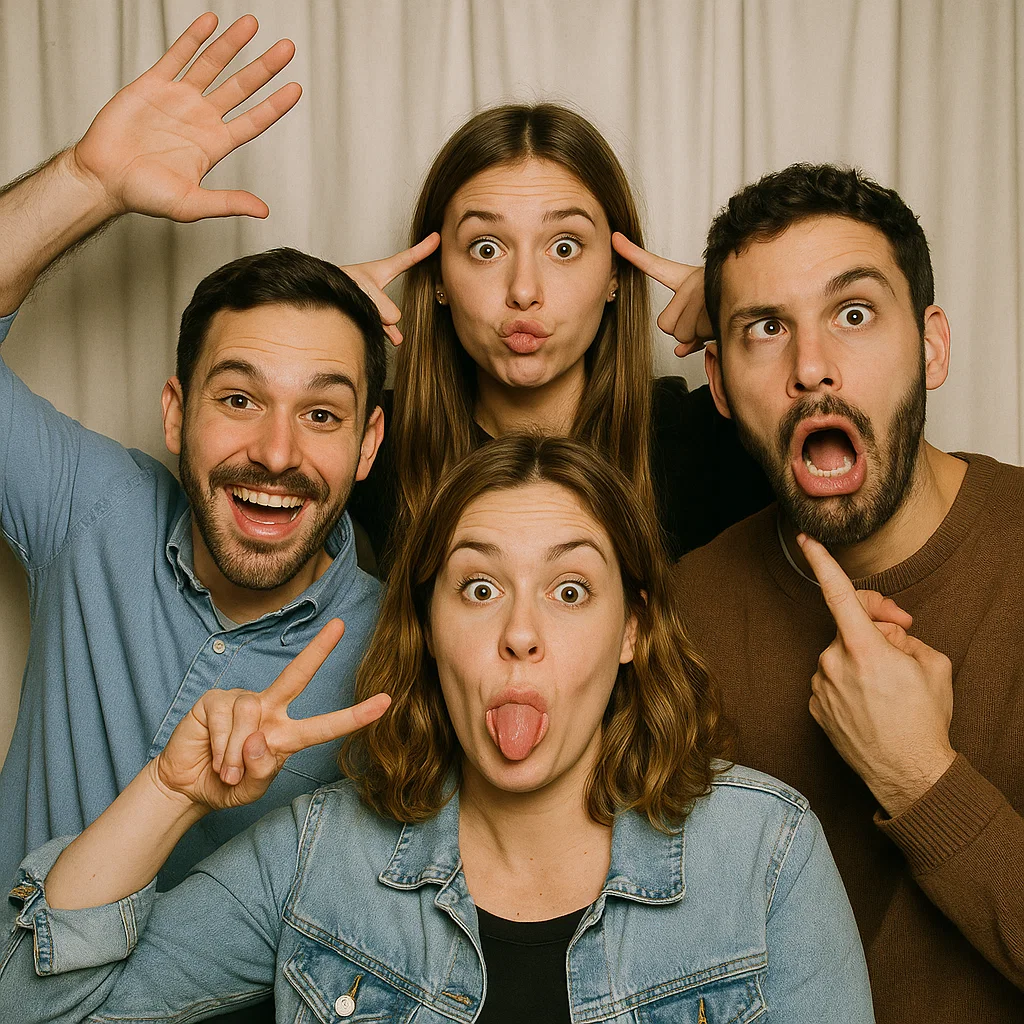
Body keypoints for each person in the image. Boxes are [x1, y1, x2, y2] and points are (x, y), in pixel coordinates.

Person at [1, 435, 873, 1023]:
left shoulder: (766, 852)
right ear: (427, 623)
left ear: (632, 631)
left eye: (570, 592)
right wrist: (168, 794)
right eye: (480, 588)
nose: (519, 632)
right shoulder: (318, 858)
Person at [0, 13, 386, 892]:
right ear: (175, 415)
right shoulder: (95, 507)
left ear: (369, 444)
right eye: (240, 399)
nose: (276, 453)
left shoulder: (403, 649)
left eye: (321, 415)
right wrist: (85, 183)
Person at [672, 163, 1024, 1021]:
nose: (813, 368)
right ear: (718, 383)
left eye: (854, 314)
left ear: (932, 346)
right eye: (765, 330)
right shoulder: (684, 611)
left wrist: (918, 776)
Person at [345, 103, 772, 571]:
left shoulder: (706, 442)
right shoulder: (367, 441)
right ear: (439, 276)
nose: (524, 291)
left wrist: (749, 307)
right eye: (486, 248)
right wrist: (306, 318)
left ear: (614, 274)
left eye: (564, 247)